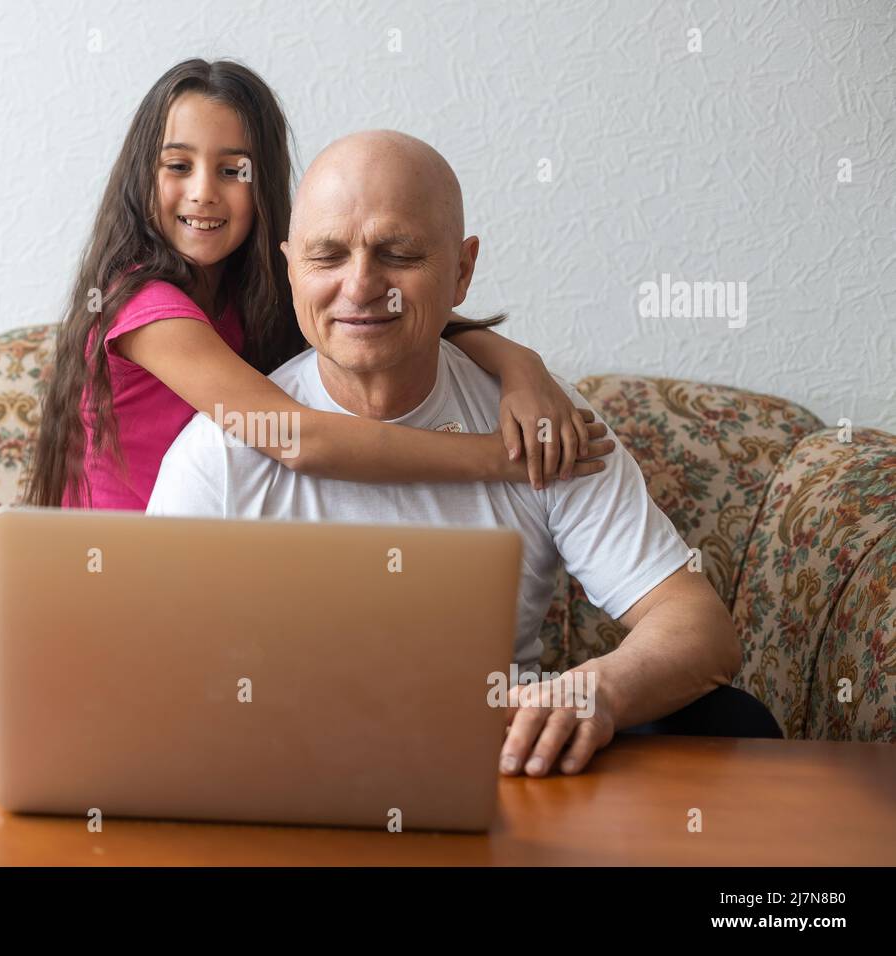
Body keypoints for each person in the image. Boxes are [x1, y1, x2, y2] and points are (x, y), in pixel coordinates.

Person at [147, 129, 779, 777]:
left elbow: (698, 628)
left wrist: (598, 691)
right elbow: (148, 675)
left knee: (731, 723)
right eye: (327, 256)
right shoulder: (219, 455)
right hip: (295, 770)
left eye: (397, 253)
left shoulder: (547, 428)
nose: (361, 287)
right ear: (290, 269)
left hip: (498, 770)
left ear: (463, 270)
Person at [26, 58, 614, 512]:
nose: (204, 190)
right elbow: (294, 438)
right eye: (178, 166)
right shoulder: (143, 305)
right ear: (141, 176)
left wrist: (521, 369)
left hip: (202, 560)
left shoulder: (248, 290)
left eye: (233, 170)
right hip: (118, 578)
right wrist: (500, 459)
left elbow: (404, 310)